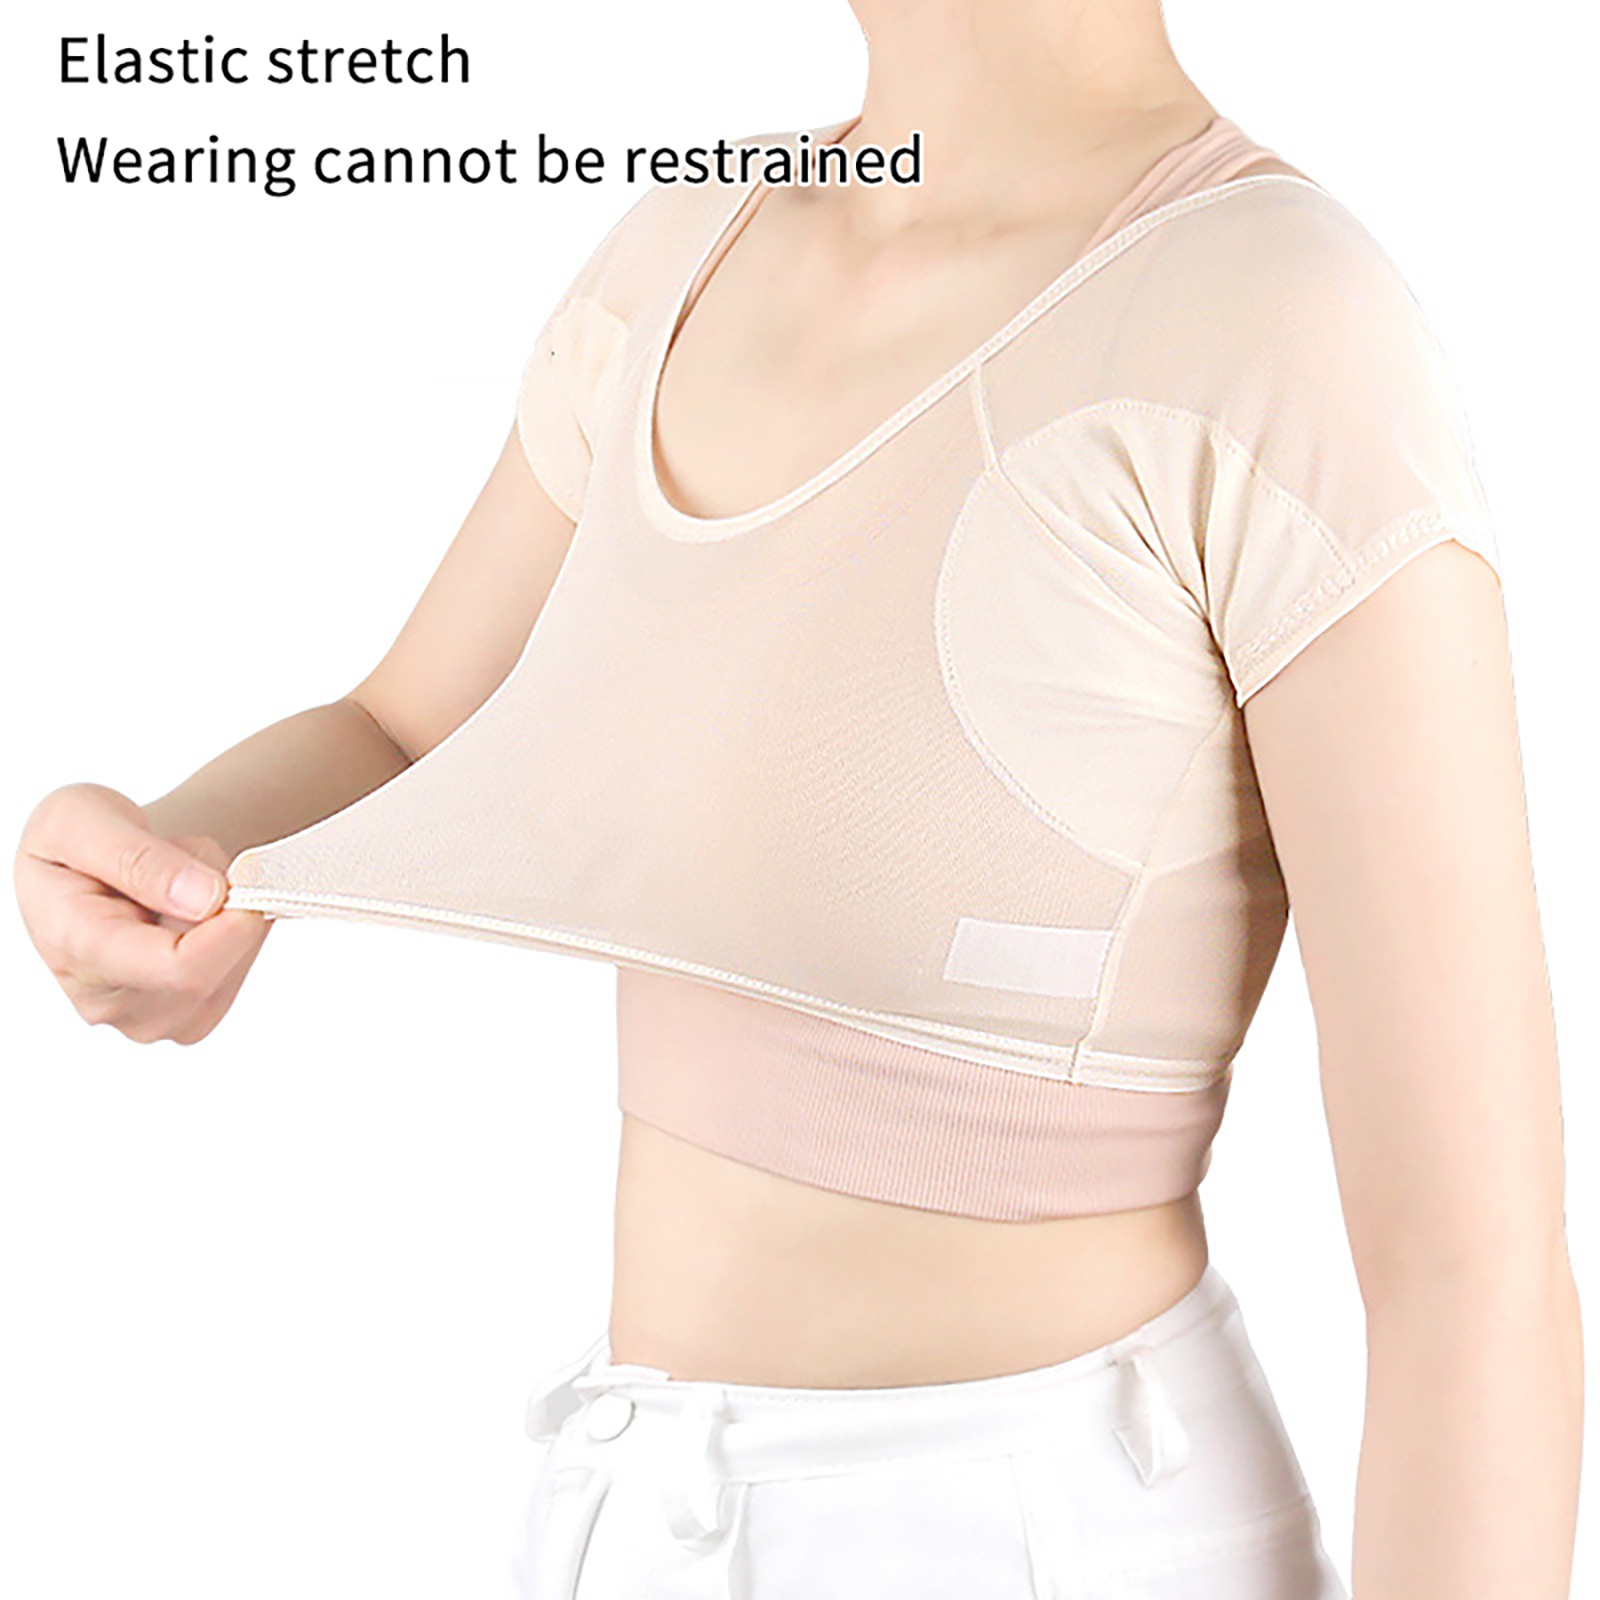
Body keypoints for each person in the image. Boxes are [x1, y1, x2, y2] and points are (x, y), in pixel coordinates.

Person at [15, 2, 1581, 1597]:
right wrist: (173, 866)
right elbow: (403, 728)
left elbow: (1472, 1271)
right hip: (637, 1507)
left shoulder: (1281, 320)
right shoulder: (691, 250)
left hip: (1048, 1529)